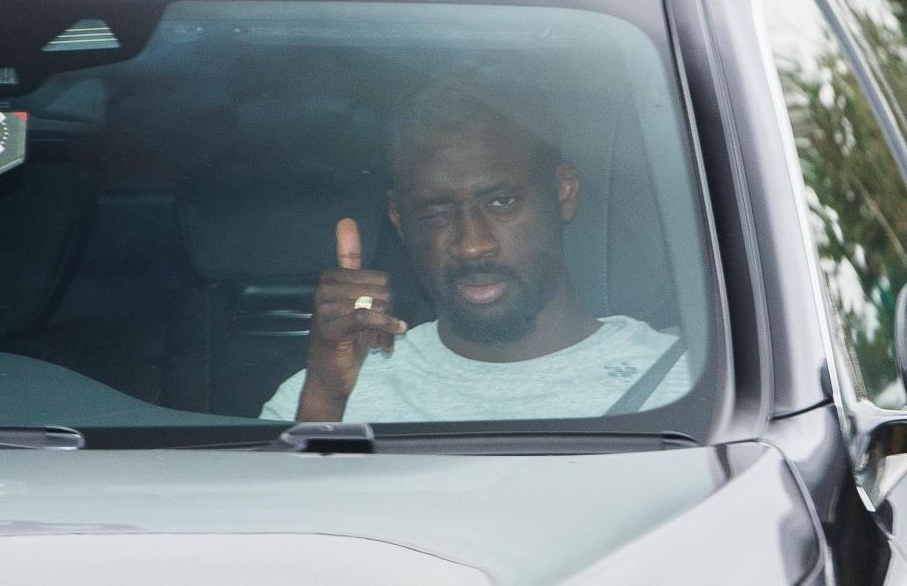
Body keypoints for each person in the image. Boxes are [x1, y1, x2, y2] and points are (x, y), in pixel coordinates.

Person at [260, 87, 689, 422]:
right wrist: (325, 400)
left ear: (563, 191)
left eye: (501, 202)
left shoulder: (683, 383)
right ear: (398, 217)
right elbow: (281, 532)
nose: (471, 244)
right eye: (435, 212)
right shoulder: (336, 391)